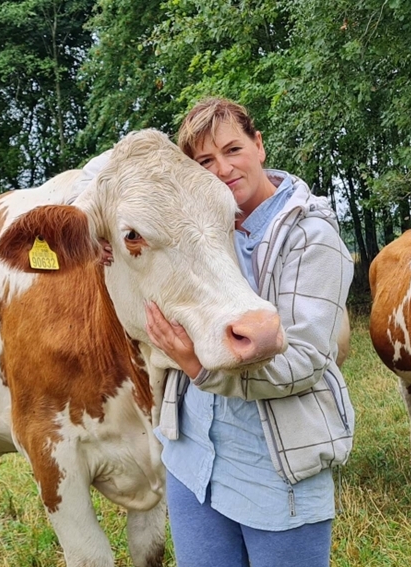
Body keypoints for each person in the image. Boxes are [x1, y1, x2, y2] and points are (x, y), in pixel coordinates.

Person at [144, 97, 355, 567]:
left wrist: (198, 367)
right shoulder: (192, 232)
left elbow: (302, 362)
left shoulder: (313, 237)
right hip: (192, 459)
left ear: (259, 146)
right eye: (204, 161)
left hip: (277, 468)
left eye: (233, 149)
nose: (222, 168)